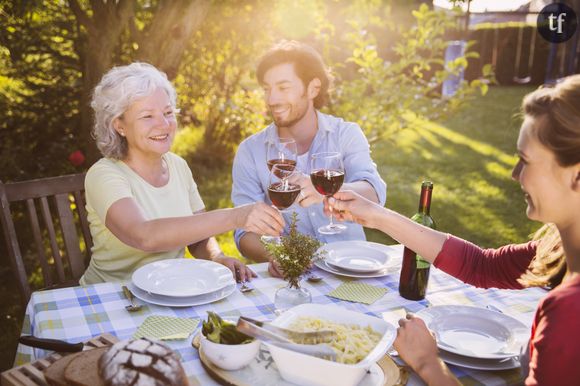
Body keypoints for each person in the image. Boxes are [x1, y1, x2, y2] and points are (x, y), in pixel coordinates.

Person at [326, 75, 580, 385]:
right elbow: (482, 265)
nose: (515, 174)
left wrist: (426, 362)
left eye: (525, 161)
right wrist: (376, 216)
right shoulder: (556, 249)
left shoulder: (569, 314)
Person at [79, 62, 284, 285]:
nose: (164, 124)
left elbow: (198, 237)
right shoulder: (104, 174)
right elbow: (144, 236)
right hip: (113, 297)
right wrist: (237, 216)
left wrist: (217, 256)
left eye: (168, 112)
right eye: (147, 116)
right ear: (119, 125)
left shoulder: (178, 165)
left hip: (170, 289)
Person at [231, 40, 386, 277]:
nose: (272, 100)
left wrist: (328, 191)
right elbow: (244, 232)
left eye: (283, 87)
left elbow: (373, 193)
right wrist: (278, 254)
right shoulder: (250, 151)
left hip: (351, 270)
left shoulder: (346, 134)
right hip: (291, 278)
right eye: (267, 89)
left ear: (313, 88)